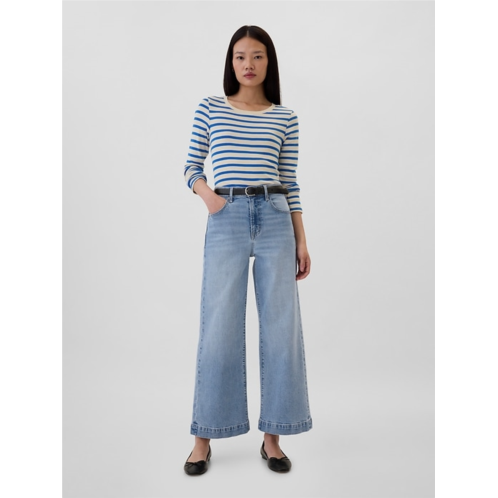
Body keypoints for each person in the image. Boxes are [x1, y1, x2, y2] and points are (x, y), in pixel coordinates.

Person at [183, 25, 312, 476]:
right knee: (218, 326)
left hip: (276, 218)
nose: (249, 64)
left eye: (257, 56)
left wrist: (301, 238)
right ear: (231, 62)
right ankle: (203, 438)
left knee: (281, 329)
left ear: (268, 62)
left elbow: (290, 181)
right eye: (240, 56)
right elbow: (191, 166)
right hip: (227, 216)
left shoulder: (285, 117)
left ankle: (273, 438)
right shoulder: (211, 108)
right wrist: (210, 198)